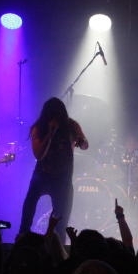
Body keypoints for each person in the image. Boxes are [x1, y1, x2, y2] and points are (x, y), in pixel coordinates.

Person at [18, 97, 89, 243]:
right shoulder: (39, 128)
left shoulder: (71, 126)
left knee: (61, 222)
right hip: (42, 176)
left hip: (63, 180)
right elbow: (38, 155)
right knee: (28, 210)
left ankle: (57, 248)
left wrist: (81, 141)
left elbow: (85, 145)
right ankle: (22, 241)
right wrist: (50, 134)